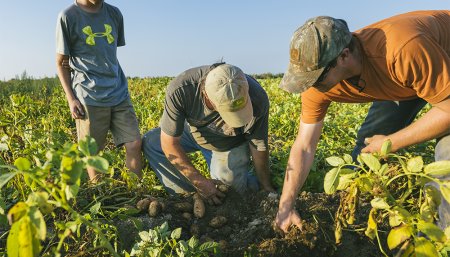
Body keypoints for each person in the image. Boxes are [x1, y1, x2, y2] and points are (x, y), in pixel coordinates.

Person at [274, 10, 450, 232]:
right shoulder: (316, 83)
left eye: (316, 79)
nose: (311, 86)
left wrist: (391, 142)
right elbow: (304, 145)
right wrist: (286, 205)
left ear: (344, 56)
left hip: (439, 58)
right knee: (367, 150)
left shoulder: (401, 50)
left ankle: (444, 239)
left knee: (446, 159)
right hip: (406, 78)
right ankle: (362, 213)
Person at [142, 63, 275, 204]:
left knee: (232, 196)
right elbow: (169, 144)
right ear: (206, 95)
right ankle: (189, 197)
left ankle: (247, 181)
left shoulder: (257, 97)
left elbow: (258, 145)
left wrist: (266, 187)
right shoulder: (181, 89)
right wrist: (199, 182)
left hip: (228, 143)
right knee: (152, 142)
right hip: (193, 131)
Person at [56, 0, 142, 182]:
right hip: (88, 95)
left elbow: (107, 51)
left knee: (134, 143)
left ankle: (136, 194)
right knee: (93, 152)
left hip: (119, 91)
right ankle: (100, 195)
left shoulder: (114, 13)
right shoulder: (68, 16)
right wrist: (71, 99)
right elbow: (61, 62)